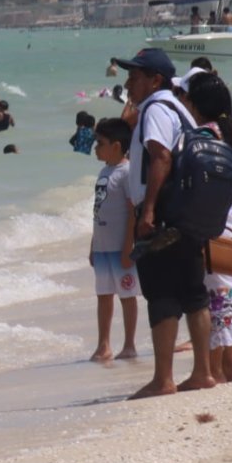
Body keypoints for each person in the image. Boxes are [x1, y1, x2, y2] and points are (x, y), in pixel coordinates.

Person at [115, 47, 214, 399]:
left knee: (161, 294)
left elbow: (161, 157)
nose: (128, 83)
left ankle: (163, 379)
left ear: (155, 79)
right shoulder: (181, 110)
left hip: (165, 213)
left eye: (134, 76)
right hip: (188, 211)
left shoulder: (155, 109)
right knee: (193, 291)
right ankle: (202, 372)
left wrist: (149, 211)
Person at [185, 73, 232, 384]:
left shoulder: (203, 136)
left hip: (210, 226)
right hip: (231, 227)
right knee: (227, 296)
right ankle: (229, 366)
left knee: (212, 296)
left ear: (197, 105)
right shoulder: (231, 134)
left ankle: (213, 368)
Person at [89, 118, 140, 362]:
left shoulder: (127, 171)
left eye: (100, 143)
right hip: (101, 246)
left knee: (127, 295)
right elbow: (97, 210)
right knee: (103, 295)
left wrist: (128, 245)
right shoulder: (104, 171)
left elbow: (132, 211)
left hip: (120, 246)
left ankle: (129, 344)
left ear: (117, 146)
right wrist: (92, 245)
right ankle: (103, 344)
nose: (95, 148)